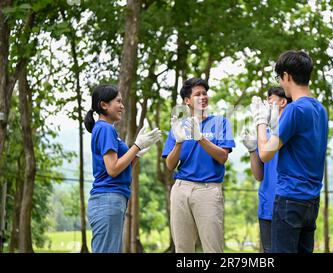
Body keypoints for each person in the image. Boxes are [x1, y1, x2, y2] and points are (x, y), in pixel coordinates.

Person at [250, 50, 328, 253]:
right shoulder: (320, 109)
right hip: (311, 200)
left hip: (290, 199)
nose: (281, 83)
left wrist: (260, 121)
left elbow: (266, 153)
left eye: (280, 77)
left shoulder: (295, 109)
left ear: (287, 76)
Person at [84, 84, 161, 253]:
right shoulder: (105, 129)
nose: (122, 106)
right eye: (118, 101)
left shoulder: (107, 130)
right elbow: (113, 169)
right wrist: (136, 146)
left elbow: (120, 168)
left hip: (113, 199)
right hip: (108, 199)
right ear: (104, 105)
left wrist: (136, 154)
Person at [162, 77, 235, 253]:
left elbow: (222, 157)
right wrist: (179, 142)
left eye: (205, 93)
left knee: (213, 247)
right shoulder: (178, 127)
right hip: (181, 188)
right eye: (197, 94)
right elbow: (170, 165)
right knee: (183, 248)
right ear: (187, 101)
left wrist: (200, 137)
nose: (203, 97)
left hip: (208, 190)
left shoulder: (220, 123)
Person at [242, 87, 291, 253]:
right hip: (267, 206)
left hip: (290, 205)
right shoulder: (265, 136)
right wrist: (251, 150)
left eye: (270, 102)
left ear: (283, 102)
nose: (265, 108)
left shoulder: (292, 130)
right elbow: (258, 175)